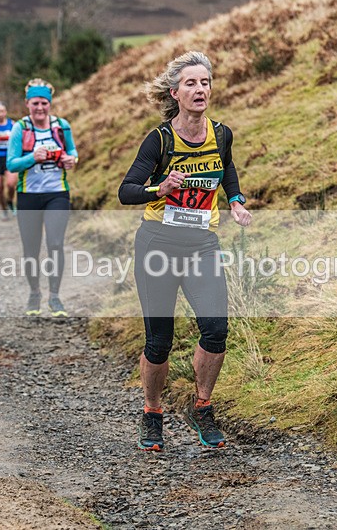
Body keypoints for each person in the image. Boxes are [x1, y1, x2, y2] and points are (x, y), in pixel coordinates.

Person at [118, 51, 251, 451]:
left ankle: (202, 407)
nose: (200, 89)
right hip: (158, 244)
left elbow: (226, 167)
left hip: (202, 246)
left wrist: (237, 200)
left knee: (216, 329)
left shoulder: (221, 133)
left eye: (205, 82)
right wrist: (159, 188)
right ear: (175, 93)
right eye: (191, 83)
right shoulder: (159, 139)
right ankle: (152, 413)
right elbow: (126, 191)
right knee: (159, 340)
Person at [6, 78, 78, 317]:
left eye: (44, 103)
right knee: (31, 249)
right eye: (35, 103)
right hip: (28, 196)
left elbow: (73, 151)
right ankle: (35, 292)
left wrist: (72, 160)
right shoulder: (21, 128)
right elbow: (11, 164)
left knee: (55, 244)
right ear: (27, 103)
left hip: (57, 193)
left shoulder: (61, 125)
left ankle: (55, 297)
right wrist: (32, 158)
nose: (40, 108)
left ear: (50, 104)